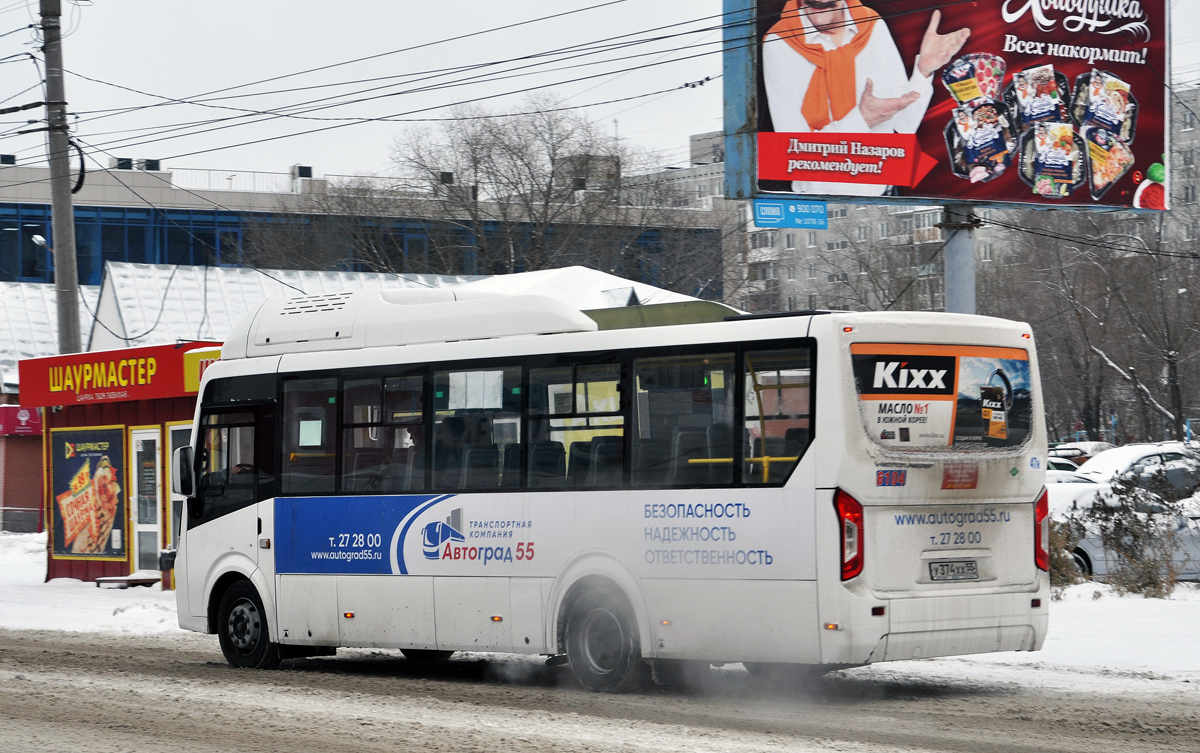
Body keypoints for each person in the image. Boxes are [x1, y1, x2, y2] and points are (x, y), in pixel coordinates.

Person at [762, 0, 970, 196]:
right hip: (818, 205)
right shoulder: (779, 42)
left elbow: (903, 126)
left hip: (884, 198)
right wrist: (862, 119)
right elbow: (793, 151)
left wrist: (923, 71)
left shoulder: (872, 26)